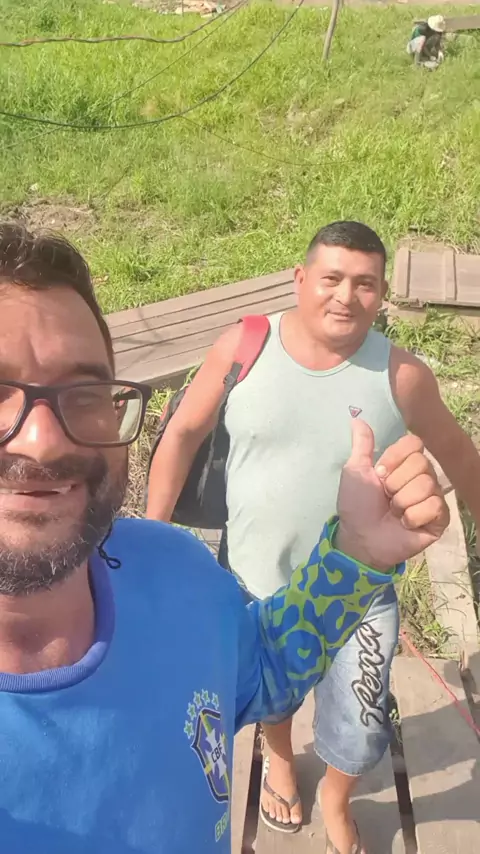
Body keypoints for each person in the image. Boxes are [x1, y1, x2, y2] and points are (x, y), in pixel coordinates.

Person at [0, 221, 449, 854]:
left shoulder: (174, 568)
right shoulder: (246, 347)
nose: (44, 440)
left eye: (84, 391)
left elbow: (259, 668)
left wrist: (357, 557)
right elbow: (186, 432)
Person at [147, 220, 480, 853]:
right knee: (272, 693)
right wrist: (151, 539)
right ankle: (279, 760)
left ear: (382, 295)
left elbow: (461, 456)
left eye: (365, 284)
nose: (345, 296)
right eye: (331, 278)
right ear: (300, 279)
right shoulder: (243, 347)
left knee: (361, 717)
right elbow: (184, 434)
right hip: (253, 573)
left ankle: (336, 795)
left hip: (360, 589)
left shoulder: (402, 376)